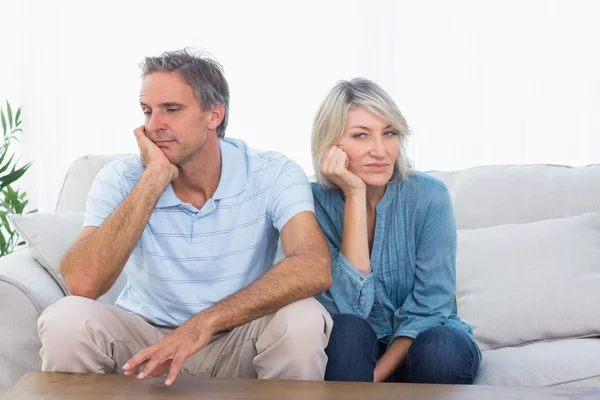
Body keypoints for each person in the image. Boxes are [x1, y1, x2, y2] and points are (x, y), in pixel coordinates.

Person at [37, 49, 333, 386]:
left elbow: (314, 265)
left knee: (304, 317)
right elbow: (81, 284)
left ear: (214, 115)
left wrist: (202, 325)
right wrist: (153, 180)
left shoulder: (272, 173)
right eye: (147, 111)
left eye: (172, 110)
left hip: (236, 339)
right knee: (66, 319)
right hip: (145, 343)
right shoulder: (120, 178)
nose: (154, 126)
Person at [310, 78, 481, 383]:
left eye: (389, 133)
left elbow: (432, 306)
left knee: (442, 349)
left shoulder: (430, 197)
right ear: (329, 144)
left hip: (425, 341)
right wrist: (354, 195)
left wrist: (375, 380)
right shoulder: (312, 204)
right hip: (353, 349)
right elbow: (349, 309)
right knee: (347, 331)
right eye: (361, 135)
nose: (380, 150)